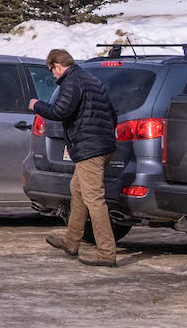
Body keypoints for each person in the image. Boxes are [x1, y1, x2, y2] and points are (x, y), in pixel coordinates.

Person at [29, 48, 119, 267]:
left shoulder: (71, 81)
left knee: (94, 199)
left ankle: (107, 253)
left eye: (53, 72)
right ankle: (71, 241)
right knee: (77, 190)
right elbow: (112, 114)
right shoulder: (91, 80)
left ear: (57, 66)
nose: (54, 76)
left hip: (90, 150)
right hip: (101, 147)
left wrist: (37, 105)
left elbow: (61, 111)